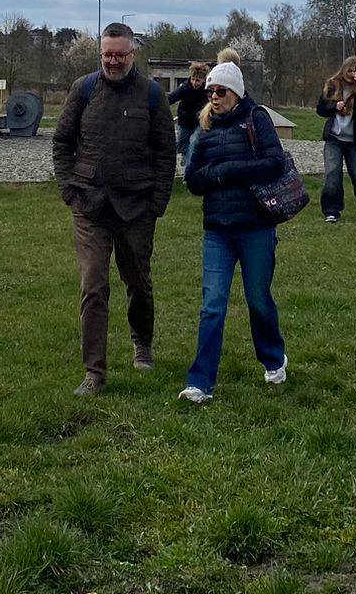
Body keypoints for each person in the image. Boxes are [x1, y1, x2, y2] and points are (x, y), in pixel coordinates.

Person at [52, 23, 179, 396]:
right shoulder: (84, 89)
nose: (113, 61)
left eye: (120, 55)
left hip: (137, 207)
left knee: (138, 282)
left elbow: (165, 153)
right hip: (89, 205)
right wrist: (68, 190)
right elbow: (62, 142)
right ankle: (94, 372)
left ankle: (142, 342)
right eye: (107, 55)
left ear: (132, 54)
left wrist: (157, 204)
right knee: (93, 286)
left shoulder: (152, 95)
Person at [179, 61, 291, 403]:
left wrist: (228, 170)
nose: (214, 97)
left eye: (221, 91)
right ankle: (200, 382)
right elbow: (192, 179)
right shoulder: (204, 129)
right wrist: (214, 175)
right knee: (212, 305)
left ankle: (273, 358)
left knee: (258, 300)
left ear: (236, 93)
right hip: (218, 231)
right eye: (210, 91)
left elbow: (274, 162)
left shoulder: (256, 118)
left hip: (256, 227)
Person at [315, 56, 356, 222]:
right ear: (343, 70)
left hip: (355, 140)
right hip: (334, 138)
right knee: (332, 174)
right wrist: (333, 107)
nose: (352, 74)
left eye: (355, 71)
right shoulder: (332, 85)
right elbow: (320, 109)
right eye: (349, 71)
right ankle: (331, 211)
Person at [171, 61, 211, 172]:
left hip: (199, 122)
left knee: (194, 141)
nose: (194, 83)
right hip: (185, 121)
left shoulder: (207, 91)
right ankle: (185, 157)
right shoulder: (185, 87)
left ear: (203, 80)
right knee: (181, 144)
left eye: (198, 80)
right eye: (193, 79)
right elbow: (172, 97)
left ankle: (189, 170)